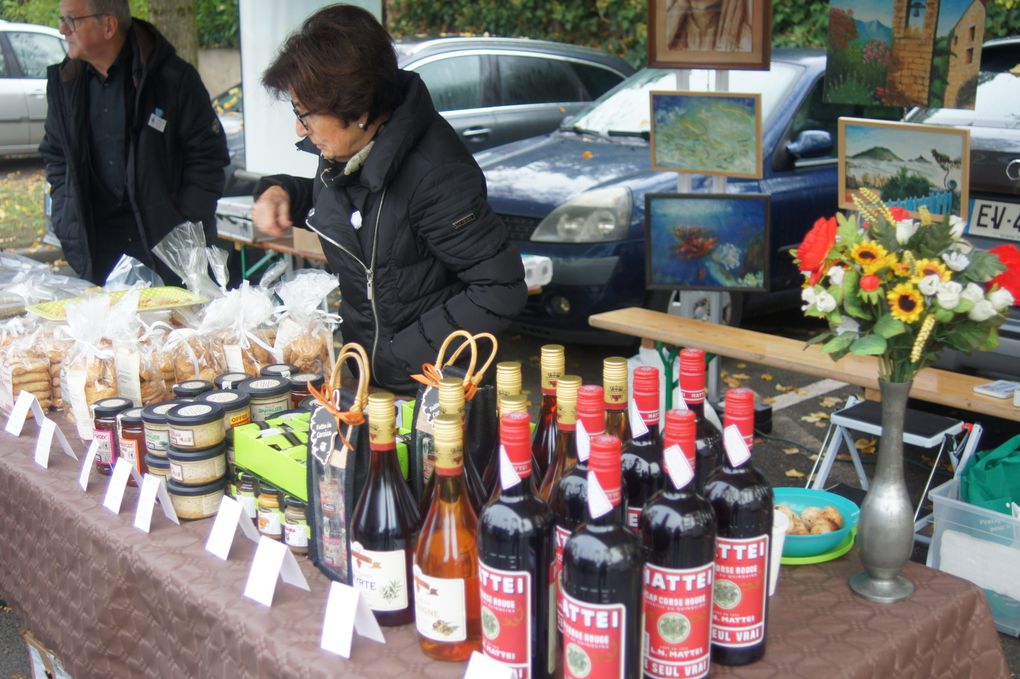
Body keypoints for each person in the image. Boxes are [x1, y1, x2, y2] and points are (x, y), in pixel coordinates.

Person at [252, 5, 527, 393]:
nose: (300, 127)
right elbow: (350, 209)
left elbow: (500, 286)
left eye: (305, 113)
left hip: (437, 392)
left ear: (358, 109)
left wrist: (400, 354)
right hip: (371, 381)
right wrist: (281, 192)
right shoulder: (347, 150)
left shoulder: (435, 174)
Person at [41, 0, 229, 284]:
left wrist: (182, 224)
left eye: (72, 20)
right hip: (97, 249)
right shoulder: (65, 84)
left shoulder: (173, 79)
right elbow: (55, 155)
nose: (63, 29)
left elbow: (209, 157)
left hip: (167, 252)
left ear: (108, 25)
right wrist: (65, 214)